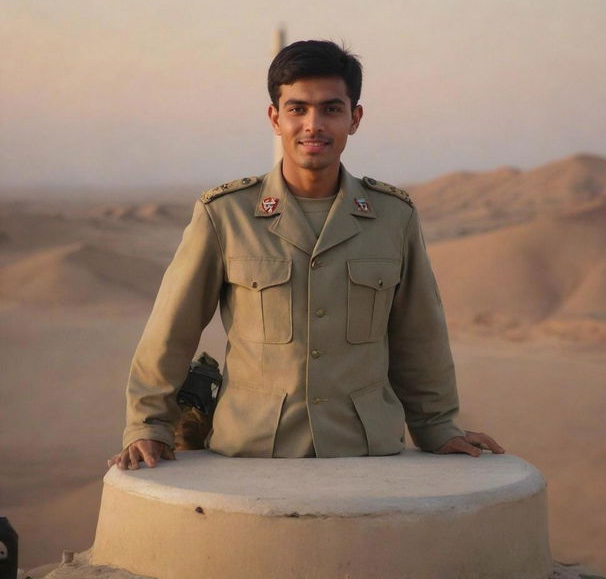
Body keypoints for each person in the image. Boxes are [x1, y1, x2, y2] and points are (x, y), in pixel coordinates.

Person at [109, 40, 504, 470]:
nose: (313, 125)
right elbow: (173, 328)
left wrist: (437, 427)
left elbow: (419, 334)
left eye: (331, 109)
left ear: (355, 118)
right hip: (251, 450)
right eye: (297, 109)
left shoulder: (394, 217)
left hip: (364, 452)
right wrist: (148, 425)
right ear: (274, 118)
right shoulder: (227, 215)